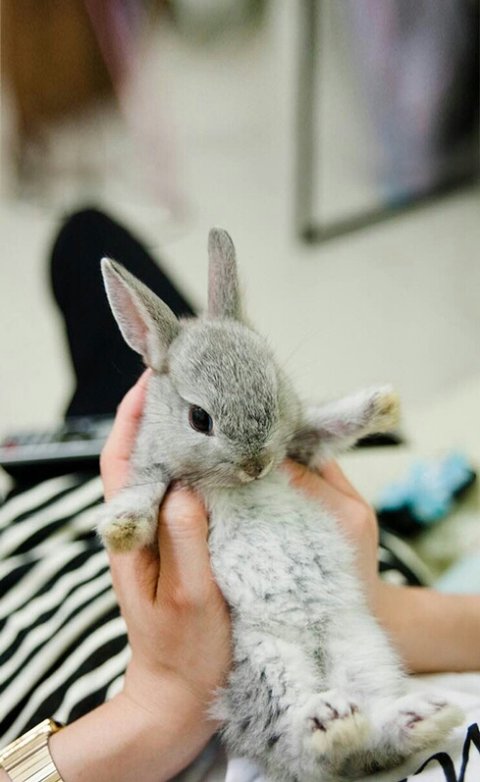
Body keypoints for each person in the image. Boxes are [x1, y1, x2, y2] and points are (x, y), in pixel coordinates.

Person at [0, 208, 479, 782]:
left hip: (52, 576)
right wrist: (379, 599)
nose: (254, 464)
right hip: (353, 579)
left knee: (83, 238)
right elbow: (274, 437)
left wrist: (159, 701)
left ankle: (321, 737)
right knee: (90, 241)